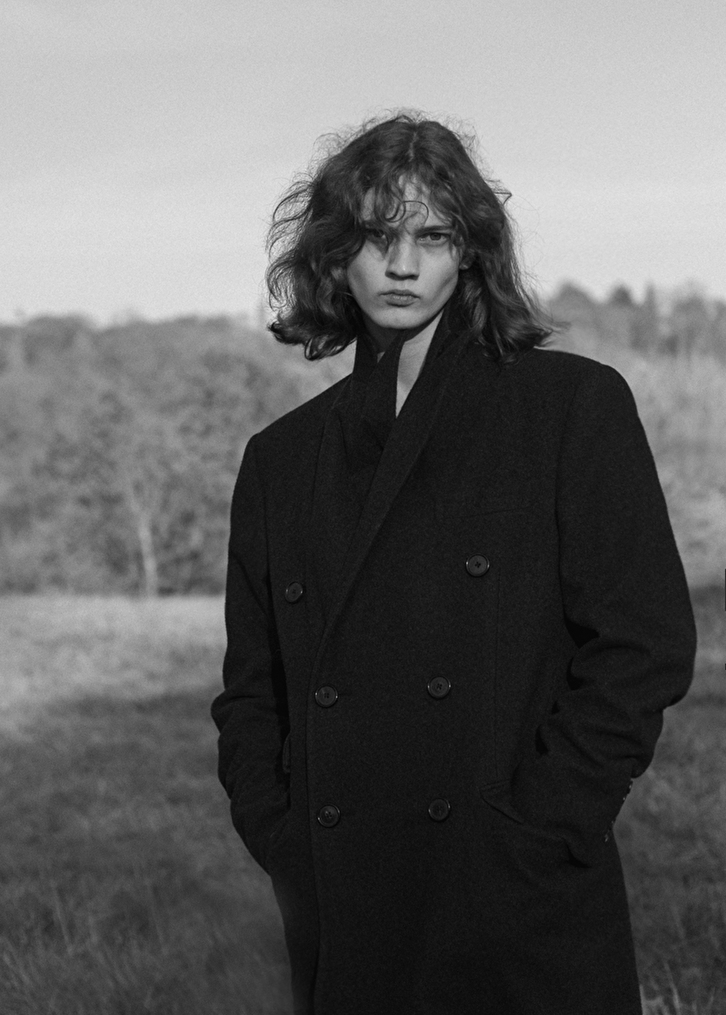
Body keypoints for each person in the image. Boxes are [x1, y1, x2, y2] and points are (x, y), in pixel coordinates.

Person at [211, 112, 697, 1015]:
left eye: (431, 237)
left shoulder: (569, 407)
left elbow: (643, 644)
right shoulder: (281, 459)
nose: (401, 265)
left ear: (468, 252)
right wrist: (281, 837)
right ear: (333, 254)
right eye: (375, 236)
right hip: (343, 897)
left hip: (513, 901)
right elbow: (252, 688)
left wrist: (541, 829)